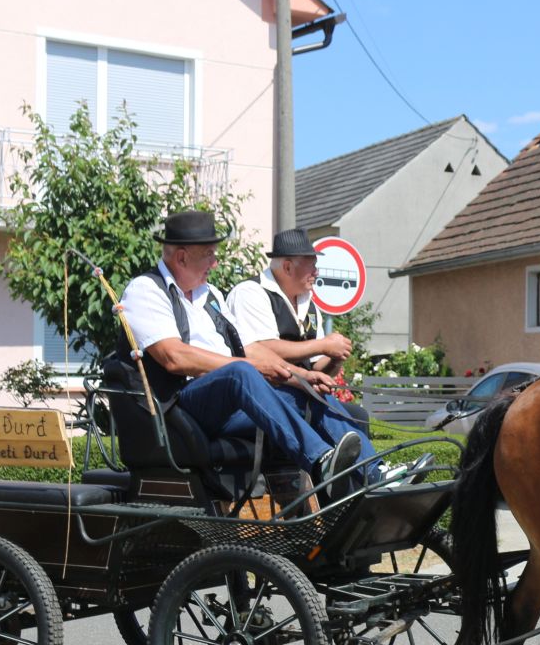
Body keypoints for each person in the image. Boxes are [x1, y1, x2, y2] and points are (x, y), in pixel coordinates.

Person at [118, 209, 375, 492]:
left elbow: (248, 350)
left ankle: (378, 477)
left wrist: (300, 375)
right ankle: (320, 461)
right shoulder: (146, 290)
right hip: (182, 406)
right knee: (238, 371)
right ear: (181, 257)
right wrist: (248, 367)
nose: (215, 263)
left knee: (308, 394)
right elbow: (174, 356)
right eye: (209, 255)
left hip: (230, 397)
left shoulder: (211, 295)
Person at [226, 228, 352, 375]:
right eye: (312, 265)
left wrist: (336, 357)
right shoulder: (250, 293)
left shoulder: (309, 305)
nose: (316, 272)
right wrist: (323, 346)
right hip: (263, 393)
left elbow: (316, 366)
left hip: (299, 393)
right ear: (288, 267)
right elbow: (260, 348)